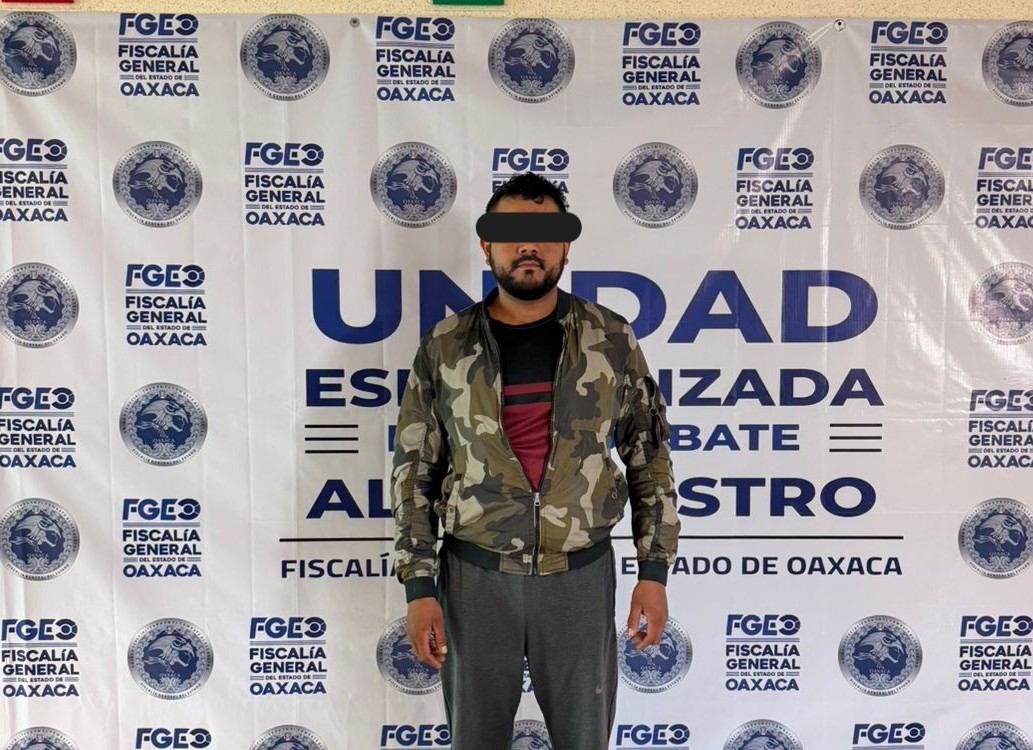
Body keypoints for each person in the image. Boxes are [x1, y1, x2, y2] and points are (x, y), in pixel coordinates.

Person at [391, 173, 680, 750]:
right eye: (511, 233)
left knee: (584, 740)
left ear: (565, 245)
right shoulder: (446, 345)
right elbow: (414, 470)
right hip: (475, 578)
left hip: (579, 578)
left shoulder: (609, 339)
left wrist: (653, 572)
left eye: (544, 233)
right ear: (487, 245)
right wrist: (419, 586)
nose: (528, 246)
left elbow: (649, 457)